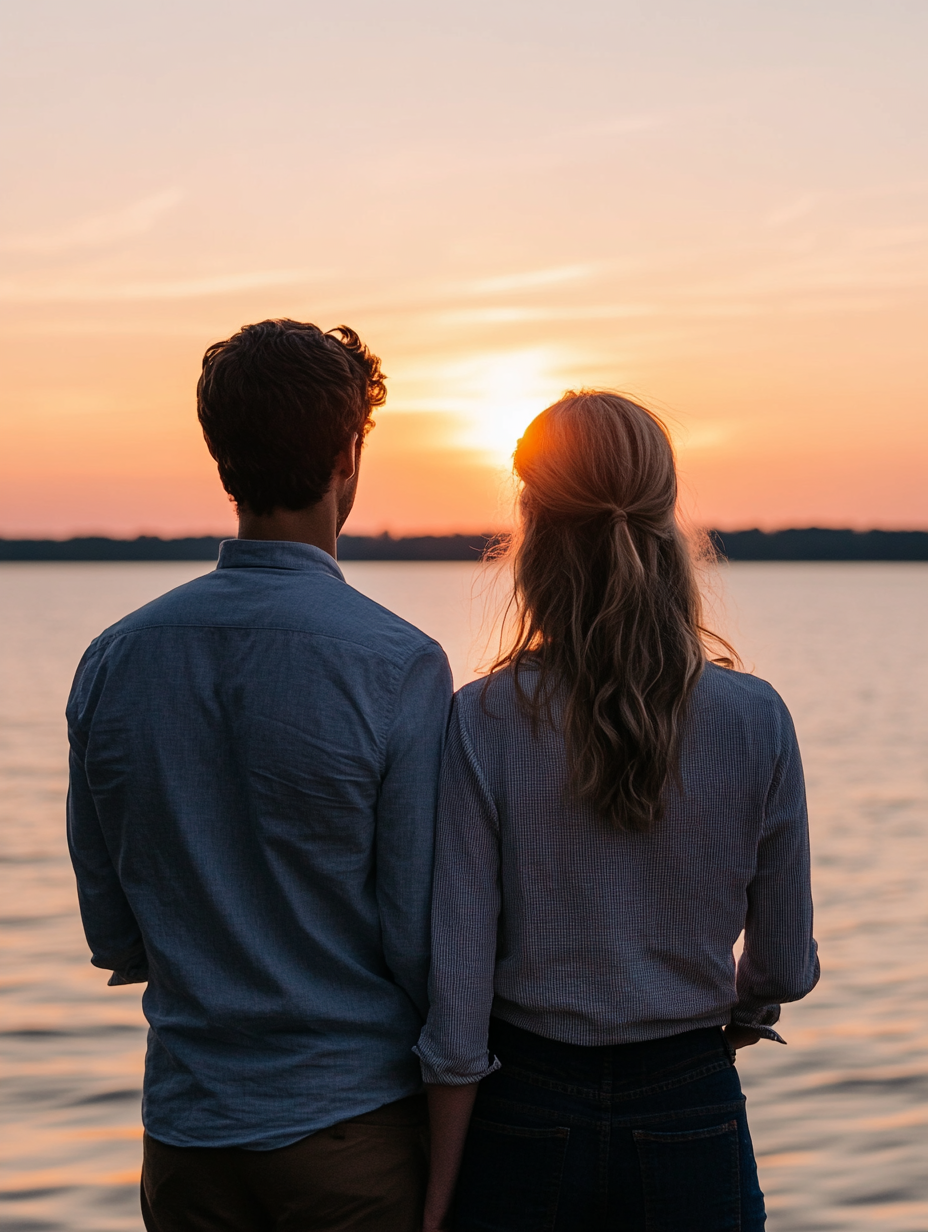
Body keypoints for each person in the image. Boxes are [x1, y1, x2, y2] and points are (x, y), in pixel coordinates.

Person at [66, 319, 453, 1232]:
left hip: (189, 1137)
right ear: (349, 457)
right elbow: (417, 941)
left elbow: (112, 933)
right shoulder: (398, 665)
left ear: (221, 458)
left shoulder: (113, 661)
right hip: (350, 1132)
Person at [416, 392, 820, 1231]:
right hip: (689, 1097)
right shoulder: (756, 719)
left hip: (520, 1105)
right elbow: (782, 965)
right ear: (668, 521)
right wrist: (740, 1010)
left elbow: (456, 995)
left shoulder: (480, 719)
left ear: (533, 528)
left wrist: (435, 1194)